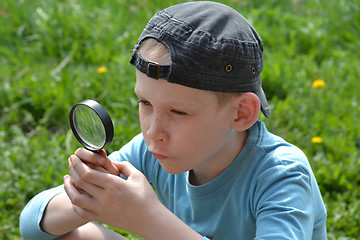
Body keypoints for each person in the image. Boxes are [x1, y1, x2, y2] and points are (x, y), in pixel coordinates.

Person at [19, 1, 327, 239]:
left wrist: (148, 220)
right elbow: (32, 223)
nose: (154, 132)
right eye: (146, 103)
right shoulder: (150, 152)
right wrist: (86, 197)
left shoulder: (281, 175)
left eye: (178, 112)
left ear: (241, 113)